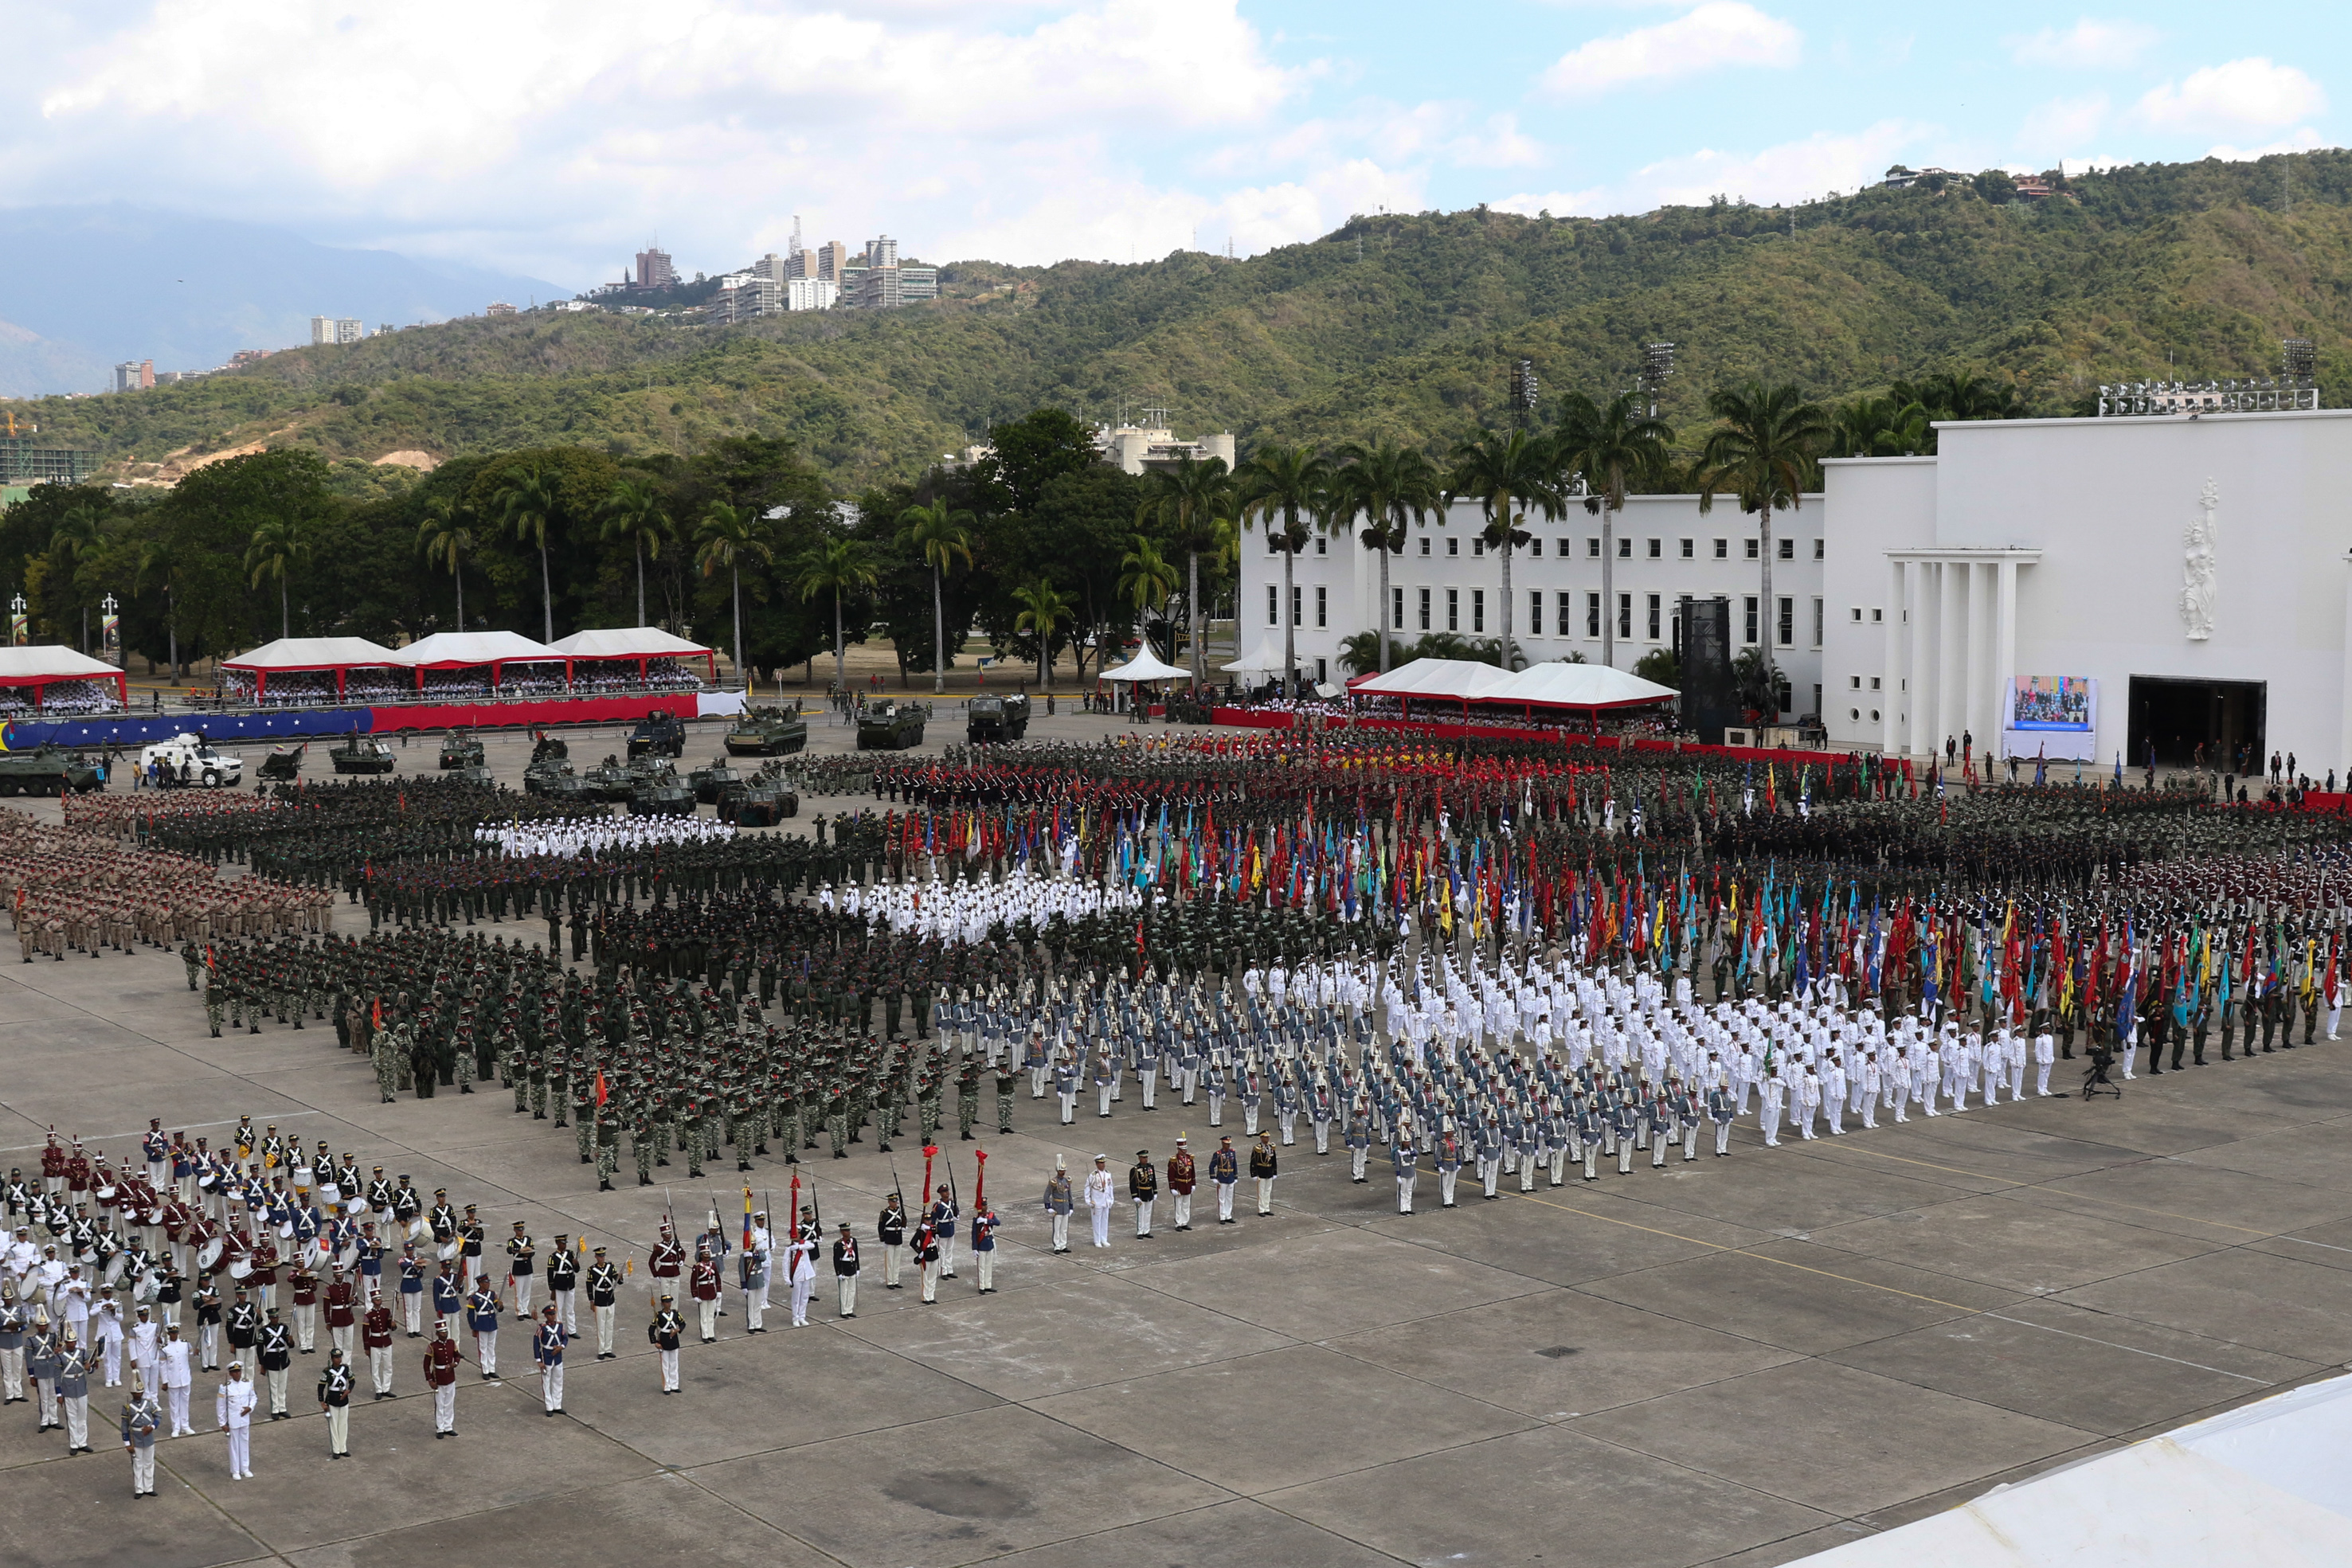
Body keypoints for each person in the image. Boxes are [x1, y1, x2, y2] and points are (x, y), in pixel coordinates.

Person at [122, 1369, 162, 1496]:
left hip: (148, 1436)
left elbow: (158, 1416)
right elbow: (124, 1426)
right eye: (136, 1393)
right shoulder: (127, 1407)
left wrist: (152, 1427)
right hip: (136, 1437)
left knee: (149, 1463)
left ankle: (149, 1487)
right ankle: (139, 1488)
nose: (138, 1395)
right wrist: (127, 1443)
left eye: (140, 1392)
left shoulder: (149, 1404)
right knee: (138, 1464)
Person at [216, 1360, 257, 1479]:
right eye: (235, 1372)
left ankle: (245, 1468)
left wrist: (250, 1408)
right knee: (234, 1445)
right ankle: (235, 1470)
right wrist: (222, 1423)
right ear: (230, 1374)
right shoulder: (225, 1387)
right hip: (233, 1420)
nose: (237, 1374)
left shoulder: (248, 1383)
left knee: (244, 1442)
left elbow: (253, 1398)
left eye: (239, 1371)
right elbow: (221, 1406)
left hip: (245, 1418)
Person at [422, 1322, 460, 1437]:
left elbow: (457, 1356)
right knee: (440, 1404)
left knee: (449, 1403)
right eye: (442, 1332)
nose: (445, 1334)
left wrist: (455, 1364)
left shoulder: (451, 1343)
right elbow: (426, 1364)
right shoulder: (432, 1347)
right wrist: (430, 1380)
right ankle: (440, 1428)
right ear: (437, 1333)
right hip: (438, 1377)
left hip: (450, 1377)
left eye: (446, 1331)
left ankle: (448, 1426)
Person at [315, 1347, 354, 1457]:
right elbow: (321, 1387)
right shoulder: (327, 1372)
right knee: (334, 1425)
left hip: (344, 1399)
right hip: (332, 1399)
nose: (339, 1359)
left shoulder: (346, 1369)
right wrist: (322, 1401)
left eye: (340, 1357)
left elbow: (352, 1381)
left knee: (343, 1424)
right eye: (336, 1357)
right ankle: (336, 1449)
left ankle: (343, 1448)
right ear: (332, 1359)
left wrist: (349, 1390)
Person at [586, 1246, 622, 1359]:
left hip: (610, 1298)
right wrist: (591, 1300)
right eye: (600, 1256)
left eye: (603, 1256)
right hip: (600, 1298)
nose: (602, 1258)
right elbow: (589, 1286)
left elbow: (618, 1281)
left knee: (609, 1325)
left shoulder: (611, 1266)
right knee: (601, 1326)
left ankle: (608, 1349)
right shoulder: (591, 1269)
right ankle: (601, 1350)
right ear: (596, 1257)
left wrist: (620, 1277)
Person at [159, 1322, 194, 1434]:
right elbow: (163, 1366)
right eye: (172, 1333)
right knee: (174, 1404)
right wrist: (165, 1381)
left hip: (185, 1378)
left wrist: (197, 1352)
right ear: (168, 1334)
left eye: (176, 1333)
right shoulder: (165, 1349)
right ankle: (176, 1427)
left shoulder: (185, 1344)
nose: (174, 1335)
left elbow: (193, 1355)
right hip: (173, 1379)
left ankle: (185, 1425)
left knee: (185, 1402)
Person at [532, 1305, 567, 1416]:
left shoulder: (560, 1326)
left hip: (558, 1357)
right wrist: (539, 1360)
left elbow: (565, 1338)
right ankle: (549, 1406)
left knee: (558, 1381)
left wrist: (562, 1346)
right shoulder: (542, 1328)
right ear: (546, 1316)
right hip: (546, 1355)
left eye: (554, 1314)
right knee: (546, 1382)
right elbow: (536, 1344)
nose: (553, 1316)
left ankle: (557, 1405)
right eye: (550, 1314)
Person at [362, 1291, 396, 1400]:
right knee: (375, 1367)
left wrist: (393, 1326)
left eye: (380, 1299)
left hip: (386, 1341)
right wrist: (367, 1347)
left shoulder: (386, 1312)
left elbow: (390, 1327)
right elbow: (365, 1333)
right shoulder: (369, 1315)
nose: (378, 1301)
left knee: (388, 1366)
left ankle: (386, 1388)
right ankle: (378, 1389)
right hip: (375, 1343)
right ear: (372, 1301)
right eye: (376, 1299)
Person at [648, 1293, 685, 1394]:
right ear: (662, 1303)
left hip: (674, 1340)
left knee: (674, 1363)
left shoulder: (676, 1313)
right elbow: (651, 1329)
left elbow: (683, 1323)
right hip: (664, 1339)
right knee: (665, 1364)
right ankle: (666, 1386)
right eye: (666, 1302)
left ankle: (674, 1384)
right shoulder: (658, 1315)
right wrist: (655, 1342)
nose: (668, 1304)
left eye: (669, 1302)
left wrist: (678, 1330)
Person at [877, 1193, 908, 1290]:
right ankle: (890, 1281)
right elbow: (881, 1226)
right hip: (889, 1238)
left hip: (898, 1237)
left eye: (896, 1201)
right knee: (890, 1261)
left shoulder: (899, 1211)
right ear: (889, 1202)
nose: (895, 1203)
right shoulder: (885, 1213)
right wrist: (883, 1239)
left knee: (897, 1261)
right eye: (893, 1201)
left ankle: (896, 1280)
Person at [1043, 1156, 1074, 1253]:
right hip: (1057, 1207)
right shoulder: (1054, 1182)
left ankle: (1063, 1245)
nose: (1063, 1172)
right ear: (1057, 1170)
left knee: (1064, 1228)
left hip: (1065, 1207)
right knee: (1057, 1228)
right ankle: (1057, 1245)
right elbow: (1046, 1195)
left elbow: (1070, 1194)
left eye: (1064, 1170)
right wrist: (1048, 1207)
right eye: (1061, 1170)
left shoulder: (1066, 1181)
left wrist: (1071, 1207)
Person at [1084, 1155, 1116, 1248]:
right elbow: (1087, 1188)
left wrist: (1111, 1199)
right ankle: (1097, 1240)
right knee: (1097, 1221)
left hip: (1106, 1201)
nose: (1103, 1165)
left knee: (1105, 1220)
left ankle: (1104, 1239)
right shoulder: (1093, 1176)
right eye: (1101, 1163)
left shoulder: (1108, 1174)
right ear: (1097, 1164)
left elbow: (1110, 1187)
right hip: (1097, 1201)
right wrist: (1088, 1200)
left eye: (1104, 1163)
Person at [1208, 1135, 1241, 1224]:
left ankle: (1228, 1215)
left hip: (1230, 1177)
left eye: (1229, 1144)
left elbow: (1234, 1165)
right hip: (1222, 1178)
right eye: (1226, 1144)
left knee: (1229, 1198)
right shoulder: (1218, 1154)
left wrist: (1235, 1176)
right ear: (1223, 1143)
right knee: (1222, 1198)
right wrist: (1213, 1177)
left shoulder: (1232, 1153)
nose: (1228, 1146)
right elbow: (1212, 1166)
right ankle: (1222, 1216)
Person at [1166, 1135, 1196, 1231]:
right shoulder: (1174, 1160)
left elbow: (1192, 1172)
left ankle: (1185, 1222)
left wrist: (1193, 1183)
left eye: (1185, 1149)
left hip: (1188, 1184)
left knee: (1186, 1205)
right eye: (1183, 1149)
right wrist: (1172, 1188)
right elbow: (1171, 1175)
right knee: (1179, 1205)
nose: (1185, 1151)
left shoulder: (1189, 1159)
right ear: (1179, 1149)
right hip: (1179, 1185)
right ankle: (1178, 1223)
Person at [831, 1222, 860, 1318]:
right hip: (844, 1270)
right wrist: (838, 1273)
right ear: (841, 1232)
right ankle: (844, 1311)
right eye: (846, 1231)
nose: (848, 1232)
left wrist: (858, 1268)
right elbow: (836, 1260)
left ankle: (849, 1309)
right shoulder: (838, 1244)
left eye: (849, 1230)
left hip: (852, 1268)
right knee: (844, 1292)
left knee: (852, 1291)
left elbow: (857, 1255)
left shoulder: (854, 1241)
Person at [970, 1201, 1000, 1293]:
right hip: (981, 1244)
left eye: (985, 1205)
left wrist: (986, 1221)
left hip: (989, 1243)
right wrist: (974, 1247)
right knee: (982, 1267)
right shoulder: (977, 1219)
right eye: (983, 1205)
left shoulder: (990, 1215)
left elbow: (997, 1222)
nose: (984, 1207)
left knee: (988, 1266)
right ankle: (982, 1286)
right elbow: (974, 1234)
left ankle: (988, 1285)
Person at [1129, 1148, 1157, 1238]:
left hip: (1149, 1193)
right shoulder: (1135, 1170)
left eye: (1146, 1157)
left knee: (1148, 1213)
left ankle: (1146, 1230)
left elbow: (1153, 1180)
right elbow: (1133, 1184)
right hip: (1141, 1193)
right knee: (1141, 1214)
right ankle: (1140, 1231)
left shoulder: (1150, 1167)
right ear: (1139, 1158)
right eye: (1144, 1158)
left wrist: (1155, 1191)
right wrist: (1135, 1196)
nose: (1146, 1159)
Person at [1250, 1130, 1278, 1216]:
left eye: (1268, 1137)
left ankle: (1267, 1208)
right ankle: (1261, 1209)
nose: (1267, 1139)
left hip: (1269, 1171)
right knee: (1261, 1192)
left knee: (1268, 1191)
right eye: (1265, 1137)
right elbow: (1253, 1161)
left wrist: (1275, 1172)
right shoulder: (1258, 1148)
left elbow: (1274, 1160)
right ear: (1261, 1138)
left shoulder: (1271, 1147)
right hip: (1261, 1171)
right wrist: (1254, 1174)